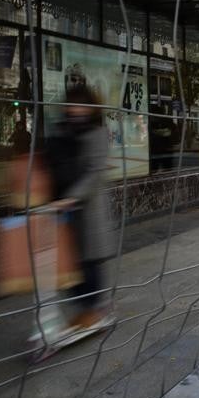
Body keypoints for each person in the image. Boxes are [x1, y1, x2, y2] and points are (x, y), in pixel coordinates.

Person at [46, 85, 116, 331]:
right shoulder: (62, 132)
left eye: (81, 104)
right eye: (72, 104)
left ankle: (97, 307)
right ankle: (86, 309)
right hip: (62, 212)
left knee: (89, 263)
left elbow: (95, 172)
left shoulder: (97, 133)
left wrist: (72, 198)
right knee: (68, 265)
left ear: (90, 107)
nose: (75, 109)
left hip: (88, 211)